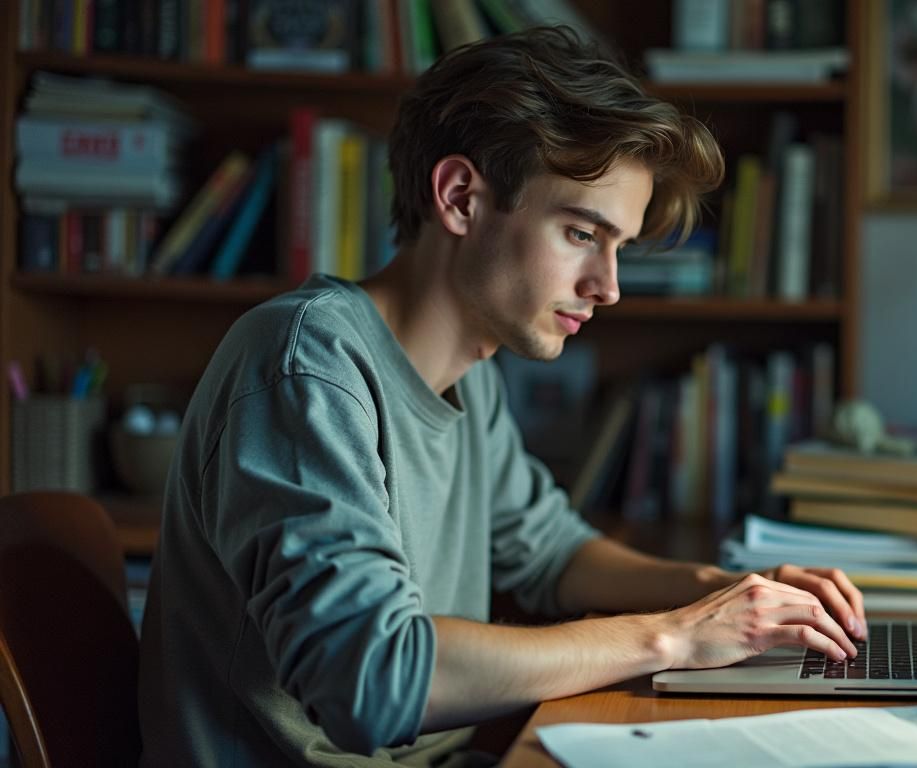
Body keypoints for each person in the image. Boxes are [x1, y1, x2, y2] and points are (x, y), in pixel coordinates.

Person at [138, 26, 866, 767]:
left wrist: (731, 595)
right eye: (583, 232)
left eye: (619, 247)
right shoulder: (306, 366)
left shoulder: (470, 373)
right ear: (461, 198)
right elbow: (370, 682)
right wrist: (673, 637)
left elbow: (551, 555)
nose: (607, 287)